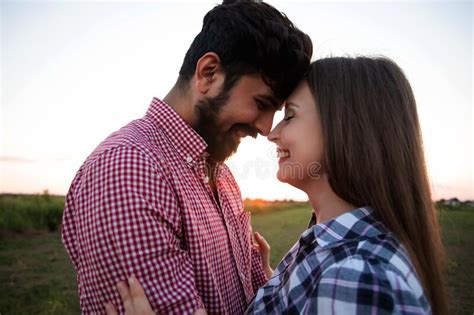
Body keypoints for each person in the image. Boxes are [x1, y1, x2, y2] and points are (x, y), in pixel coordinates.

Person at [105, 57, 448, 315]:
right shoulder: (325, 246)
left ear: (346, 129)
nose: (271, 132)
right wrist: (276, 285)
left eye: (291, 115)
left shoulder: (359, 277)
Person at [60, 0, 312, 314]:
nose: (264, 127)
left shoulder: (221, 175)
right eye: (261, 103)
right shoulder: (128, 170)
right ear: (208, 73)